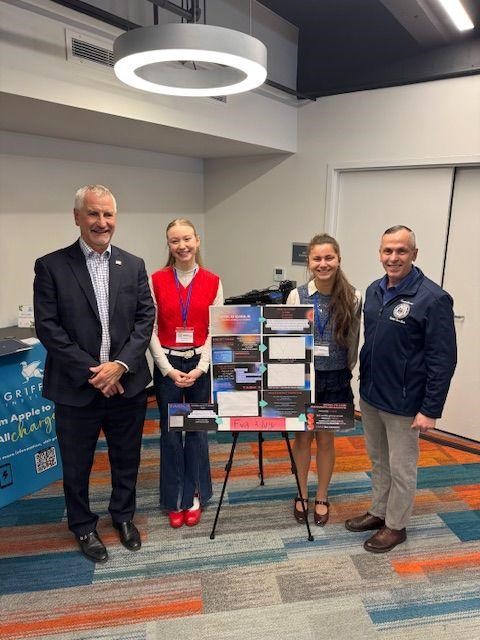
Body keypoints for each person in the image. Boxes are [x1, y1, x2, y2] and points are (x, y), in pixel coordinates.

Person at [33, 185, 155, 563]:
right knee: (77, 464)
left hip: (127, 384)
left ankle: (123, 516)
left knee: (126, 457)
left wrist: (119, 366)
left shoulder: (133, 265)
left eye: (108, 214)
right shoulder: (51, 266)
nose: (102, 222)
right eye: (93, 214)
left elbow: (145, 319)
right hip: (76, 388)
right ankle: (83, 525)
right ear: (77, 217)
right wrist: (96, 373)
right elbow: (48, 327)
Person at [345, 225, 457, 553]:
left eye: (401, 251)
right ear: (380, 253)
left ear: (414, 254)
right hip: (371, 396)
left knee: (401, 468)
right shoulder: (373, 291)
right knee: (378, 461)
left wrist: (430, 409)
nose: (393, 257)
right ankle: (379, 511)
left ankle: (396, 525)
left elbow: (443, 359)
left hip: (405, 403)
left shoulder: (432, 298)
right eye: (387, 251)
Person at [149, 218, 223, 528]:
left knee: (196, 432)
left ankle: (194, 495)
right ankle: (173, 498)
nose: (182, 246)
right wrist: (167, 370)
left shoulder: (213, 281)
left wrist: (201, 368)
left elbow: (215, 330)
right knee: (170, 433)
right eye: (175, 241)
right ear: (168, 245)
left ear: (197, 240)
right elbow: (150, 329)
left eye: (187, 239)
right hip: (167, 364)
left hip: (199, 365)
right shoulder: (156, 280)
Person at [286, 233, 362, 526]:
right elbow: (288, 341)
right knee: (302, 438)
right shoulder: (297, 296)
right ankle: (301, 493)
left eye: (329, 257)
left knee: (326, 439)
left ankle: (321, 495)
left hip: (335, 379)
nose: (323, 263)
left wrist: (342, 369)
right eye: (317, 258)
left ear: (339, 259)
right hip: (303, 378)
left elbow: (353, 343)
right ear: (309, 262)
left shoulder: (353, 297)